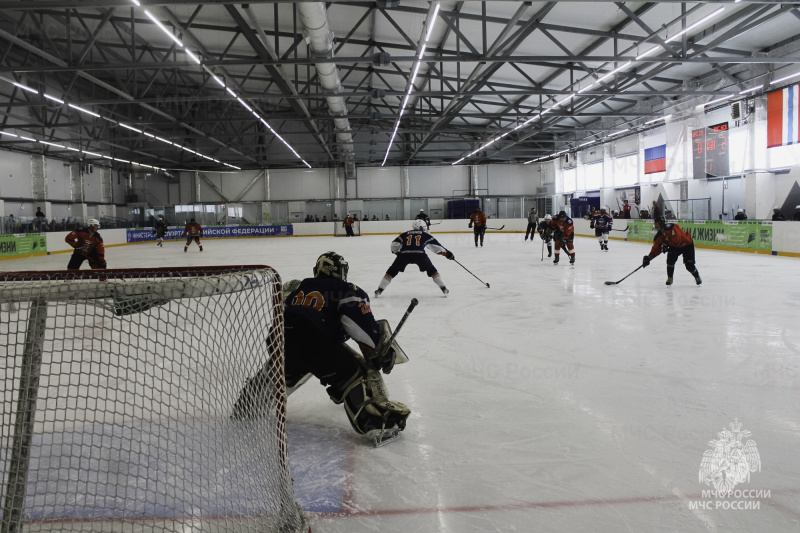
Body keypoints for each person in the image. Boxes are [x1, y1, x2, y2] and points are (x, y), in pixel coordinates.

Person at [232, 252, 411, 445]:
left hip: (280, 340)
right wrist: (378, 350)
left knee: (282, 370)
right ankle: (375, 423)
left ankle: (247, 407)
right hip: (317, 343)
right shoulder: (346, 289)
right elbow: (359, 326)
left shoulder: (298, 287)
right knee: (357, 373)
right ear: (341, 271)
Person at [375, 219, 454, 298]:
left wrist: (398, 253)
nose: (425, 229)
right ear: (420, 227)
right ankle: (443, 288)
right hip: (420, 255)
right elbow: (436, 247)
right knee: (433, 271)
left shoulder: (405, 234)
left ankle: (380, 289)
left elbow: (394, 245)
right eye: (424, 228)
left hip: (404, 255)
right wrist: (446, 253)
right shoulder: (425, 235)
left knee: (391, 272)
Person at [642, 217, 701, 286]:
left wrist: (667, 242)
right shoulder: (659, 235)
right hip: (674, 246)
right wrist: (649, 257)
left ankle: (697, 276)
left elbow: (677, 239)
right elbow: (656, 248)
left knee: (689, 265)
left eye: (656, 223)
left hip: (687, 244)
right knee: (670, 260)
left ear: (661, 224)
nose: (655, 225)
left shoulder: (671, 227)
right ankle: (670, 278)